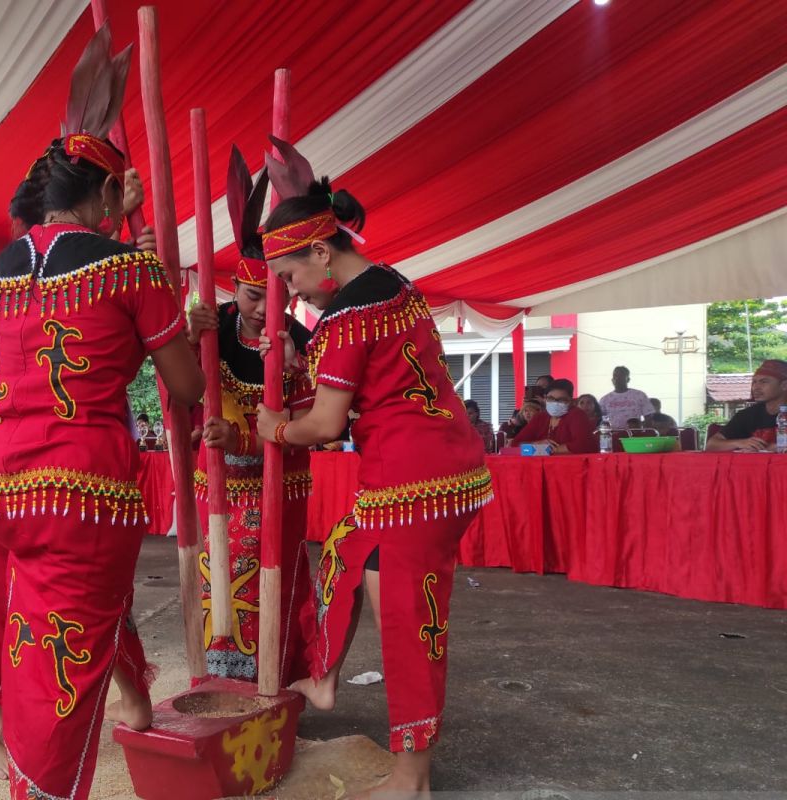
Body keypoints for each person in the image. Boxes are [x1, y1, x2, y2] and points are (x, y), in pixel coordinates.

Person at [0, 90, 204, 795]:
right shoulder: (130, 271)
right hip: (81, 493)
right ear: (106, 191)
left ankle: (101, 725)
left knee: (39, 639)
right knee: (62, 664)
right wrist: (188, 321)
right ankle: (40, 789)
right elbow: (184, 388)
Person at [253, 139, 490, 795]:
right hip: (441, 470)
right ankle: (325, 679)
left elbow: (326, 426)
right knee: (343, 556)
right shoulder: (396, 285)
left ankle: (411, 775)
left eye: (292, 278)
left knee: (407, 624)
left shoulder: (347, 317)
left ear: (322, 253)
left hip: (415, 485)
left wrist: (277, 428)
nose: (293, 293)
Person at [185, 148, 315, 685]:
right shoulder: (212, 334)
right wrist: (188, 341)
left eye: (275, 295)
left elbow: (312, 427)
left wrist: (245, 433)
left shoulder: (301, 342)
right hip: (215, 486)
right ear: (233, 288)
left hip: (276, 488)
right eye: (251, 294)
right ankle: (218, 684)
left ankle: (273, 683)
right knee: (214, 582)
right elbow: (181, 394)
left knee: (274, 586)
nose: (262, 307)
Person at [706, 359, 787, 452]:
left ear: (784, 385)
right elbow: (711, 445)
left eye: (764, 382)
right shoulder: (747, 415)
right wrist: (739, 443)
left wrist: (771, 448)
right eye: (754, 382)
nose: (756, 387)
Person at [512, 378, 598, 454]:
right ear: (545, 398)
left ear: (571, 401)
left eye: (561, 400)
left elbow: (583, 446)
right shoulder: (540, 417)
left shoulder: (577, 414)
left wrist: (545, 450)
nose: (555, 403)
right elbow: (514, 445)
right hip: (538, 467)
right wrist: (535, 445)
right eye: (551, 399)